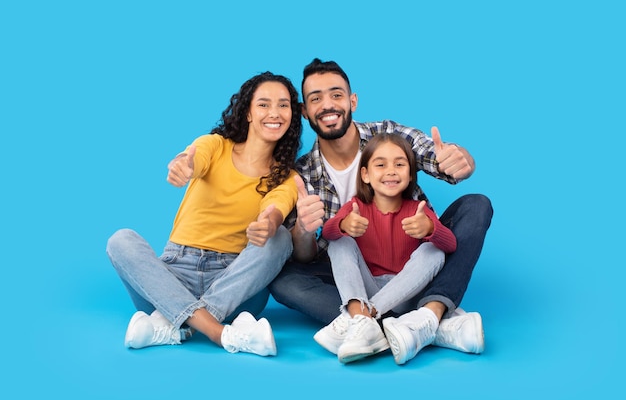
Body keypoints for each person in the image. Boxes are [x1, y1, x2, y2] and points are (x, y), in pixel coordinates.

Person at [269, 58, 493, 358]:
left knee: (476, 205)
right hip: (357, 276)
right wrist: (303, 230)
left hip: (413, 262)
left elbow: (436, 157)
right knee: (284, 280)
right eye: (315, 98)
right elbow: (308, 253)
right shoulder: (303, 174)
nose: (327, 105)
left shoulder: (387, 136)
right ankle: (422, 325)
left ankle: (427, 313)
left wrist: (459, 160)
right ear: (305, 111)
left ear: (352, 101)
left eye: (336, 94)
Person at [106, 71, 302, 357]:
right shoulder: (216, 145)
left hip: (234, 284)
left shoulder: (286, 177)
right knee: (120, 240)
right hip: (173, 275)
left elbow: (276, 206)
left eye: (283, 105)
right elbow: (192, 159)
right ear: (247, 112)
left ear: (292, 115)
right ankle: (217, 331)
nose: (274, 112)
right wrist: (182, 165)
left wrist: (268, 223)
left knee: (282, 237)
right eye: (264, 104)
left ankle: (173, 323)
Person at [318, 133, 458, 365]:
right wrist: (342, 225)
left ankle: (364, 318)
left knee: (433, 250)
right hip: (368, 289)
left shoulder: (417, 209)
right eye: (380, 165)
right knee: (339, 241)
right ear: (365, 174)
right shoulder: (355, 207)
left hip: (407, 293)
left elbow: (451, 245)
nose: (391, 171)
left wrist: (430, 228)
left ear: (411, 174)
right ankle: (360, 312)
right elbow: (327, 234)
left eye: (400, 164)